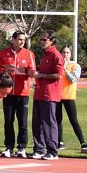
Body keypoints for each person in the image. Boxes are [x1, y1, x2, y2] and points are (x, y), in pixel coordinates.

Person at [0, 30, 35, 158]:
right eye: (19, 39)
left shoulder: (29, 54)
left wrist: (26, 71)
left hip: (23, 93)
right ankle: (9, 147)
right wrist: (6, 69)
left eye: (23, 40)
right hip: (8, 93)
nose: (22, 42)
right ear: (13, 40)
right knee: (8, 121)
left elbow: (33, 71)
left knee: (22, 122)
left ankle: (22, 147)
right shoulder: (4, 53)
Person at [29, 31, 64, 160]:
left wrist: (41, 75)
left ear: (52, 41)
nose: (42, 42)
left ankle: (52, 151)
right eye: (41, 40)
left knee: (49, 123)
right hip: (39, 92)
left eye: (44, 39)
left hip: (49, 94)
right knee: (37, 123)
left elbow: (58, 75)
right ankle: (39, 149)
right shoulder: (44, 55)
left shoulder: (56, 55)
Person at [57, 46, 87, 150]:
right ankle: (60, 142)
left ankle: (83, 142)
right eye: (63, 52)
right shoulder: (57, 65)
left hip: (69, 96)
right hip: (57, 96)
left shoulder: (75, 66)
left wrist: (65, 69)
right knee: (58, 120)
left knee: (74, 120)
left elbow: (73, 79)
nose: (65, 55)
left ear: (70, 54)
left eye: (67, 53)